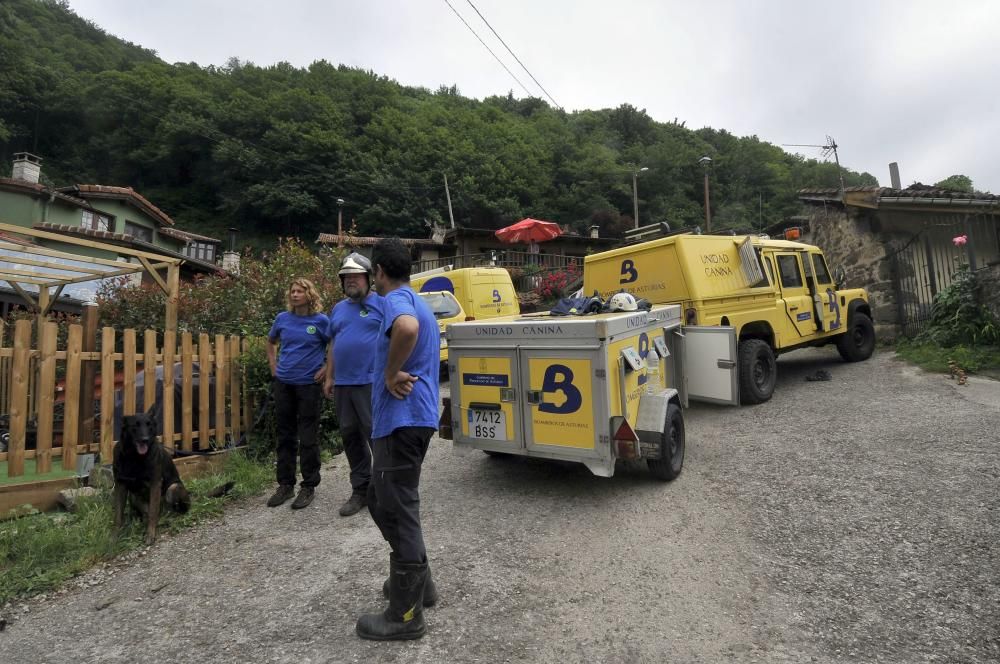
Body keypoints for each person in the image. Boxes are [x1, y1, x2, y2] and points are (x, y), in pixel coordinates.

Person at [355, 237, 440, 641]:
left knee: (397, 506)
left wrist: (390, 373)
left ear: (379, 274)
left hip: (403, 421)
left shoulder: (397, 301)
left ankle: (405, 616)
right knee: (382, 498)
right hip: (411, 420)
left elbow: (406, 329)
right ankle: (420, 585)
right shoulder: (418, 296)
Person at [324, 252, 382, 517]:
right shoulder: (338, 308)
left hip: (371, 382)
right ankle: (361, 490)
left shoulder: (382, 304)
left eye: (356, 276)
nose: (351, 281)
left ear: (369, 278)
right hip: (344, 384)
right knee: (350, 437)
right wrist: (329, 376)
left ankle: (383, 491)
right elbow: (334, 343)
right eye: (346, 277)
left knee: (376, 436)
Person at [265, 278, 331, 510]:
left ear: (309, 294)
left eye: (299, 291)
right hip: (284, 384)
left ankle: (308, 486)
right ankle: (285, 484)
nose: (294, 295)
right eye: (292, 291)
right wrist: (274, 367)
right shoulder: (283, 319)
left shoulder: (321, 321)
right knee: (285, 436)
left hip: (308, 386)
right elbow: (271, 342)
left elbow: (333, 343)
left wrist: (326, 368)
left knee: (308, 436)